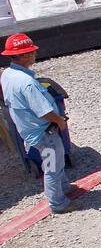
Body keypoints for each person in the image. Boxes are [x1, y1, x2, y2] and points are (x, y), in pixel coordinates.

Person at [1, 33, 71, 214]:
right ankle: (58, 203)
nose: (34, 55)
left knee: (56, 163)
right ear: (23, 55)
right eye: (31, 52)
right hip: (44, 132)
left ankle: (64, 187)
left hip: (30, 130)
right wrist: (60, 121)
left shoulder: (8, 74)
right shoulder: (27, 83)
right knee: (52, 168)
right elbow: (44, 111)